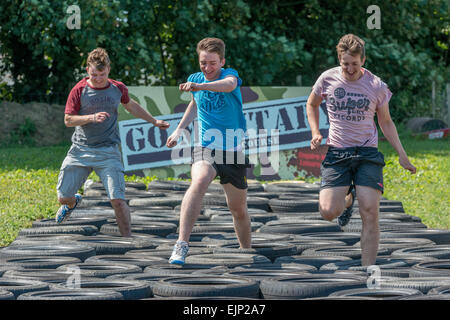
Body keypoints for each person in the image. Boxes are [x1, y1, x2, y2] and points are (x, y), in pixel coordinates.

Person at [306, 34, 416, 266]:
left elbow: (386, 122)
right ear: (339, 59)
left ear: (363, 61)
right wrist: (316, 132)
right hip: (337, 152)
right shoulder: (327, 79)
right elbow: (312, 104)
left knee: (370, 212)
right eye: (345, 63)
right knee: (328, 211)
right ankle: (348, 199)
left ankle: (367, 271)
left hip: (367, 154)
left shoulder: (376, 85)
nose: (349, 68)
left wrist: (402, 155)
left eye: (354, 63)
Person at [55, 47, 169, 237]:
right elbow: (68, 120)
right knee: (62, 197)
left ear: (108, 68)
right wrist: (91, 117)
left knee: (117, 199)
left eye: (102, 74)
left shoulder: (118, 88)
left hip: (109, 151)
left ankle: (128, 240)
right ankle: (72, 202)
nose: (98, 78)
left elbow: (131, 105)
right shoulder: (79, 90)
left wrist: (154, 121)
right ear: (87, 71)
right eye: (94, 74)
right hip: (80, 150)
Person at [166, 37, 252, 265]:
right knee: (200, 180)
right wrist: (179, 130)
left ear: (222, 61)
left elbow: (229, 86)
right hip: (206, 147)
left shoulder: (229, 75)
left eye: (212, 63)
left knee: (238, 209)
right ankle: (181, 244)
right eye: (203, 63)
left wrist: (200, 86)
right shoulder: (195, 79)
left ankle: (247, 252)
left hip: (233, 149)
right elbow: (194, 103)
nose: (207, 68)